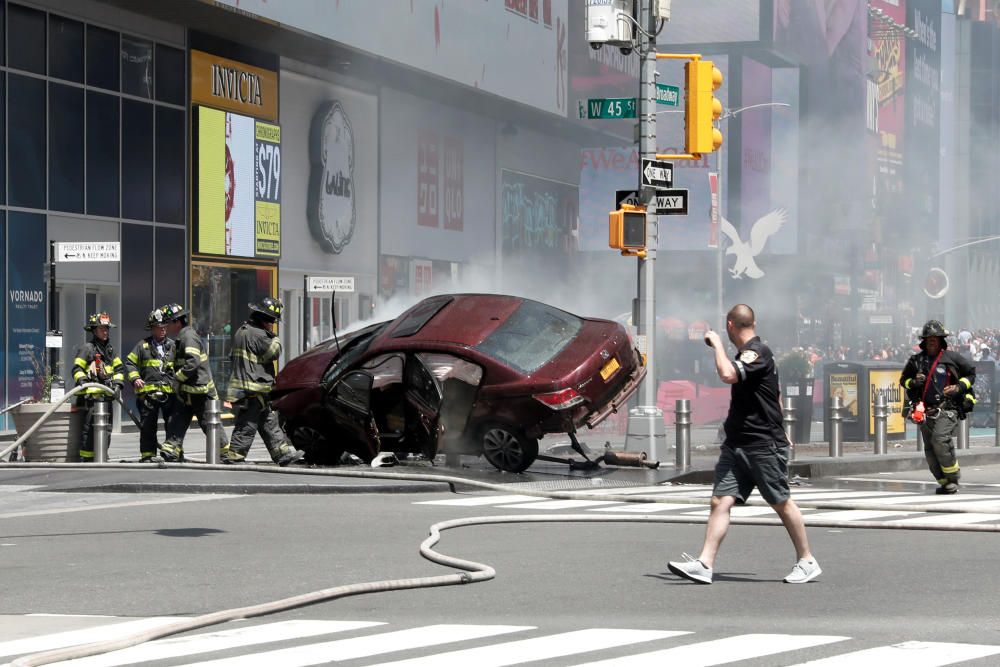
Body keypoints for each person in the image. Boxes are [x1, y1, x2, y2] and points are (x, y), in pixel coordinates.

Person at [668, 304, 821, 585]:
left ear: (729, 326)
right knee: (719, 500)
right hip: (738, 444)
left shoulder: (757, 352)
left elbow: (728, 374)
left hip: (761, 443)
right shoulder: (751, 354)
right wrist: (784, 425)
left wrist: (715, 345)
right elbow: (772, 395)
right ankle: (705, 564)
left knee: (781, 501)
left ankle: (807, 560)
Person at [221, 297, 304, 466]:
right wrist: (276, 338)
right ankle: (235, 457)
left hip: (248, 386)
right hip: (253, 387)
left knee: (268, 421)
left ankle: (282, 454)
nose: (272, 325)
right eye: (272, 321)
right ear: (265, 320)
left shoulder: (242, 331)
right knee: (248, 423)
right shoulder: (258, 334)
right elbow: (274, 352)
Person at [900, 320, 976, 495]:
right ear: (924, 341)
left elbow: (971, 373)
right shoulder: (916, 361)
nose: (932, 341)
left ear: (942, 340)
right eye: (929, 338)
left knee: (940, 440)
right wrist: (913, 382)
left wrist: (959, 388)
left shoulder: (953, 358)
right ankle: (944, 482)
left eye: (936, 338)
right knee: (929, 449)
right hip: (925, 412)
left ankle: (953, 476)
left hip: (948, 409)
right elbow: (903, 381)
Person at [160, 303, 229, 462]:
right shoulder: (181, 337)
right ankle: (171, 450)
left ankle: (224, 453)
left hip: (200, 392)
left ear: (177, 322)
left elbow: (192, 363)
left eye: (168, 322)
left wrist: (177, 378)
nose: (166, 326)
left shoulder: (188, 337)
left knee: (209, 424)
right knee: (176, 421)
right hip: (188, 392)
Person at [124, 309, 177, 463]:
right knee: (148, 426)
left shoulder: (174, 346)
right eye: (159, 327)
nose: (163, 330)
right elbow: (130, 363)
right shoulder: (142, 346)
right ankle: (147, 455)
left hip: (170, 394)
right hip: (148, 395)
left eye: (164, 327)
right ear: (152, 328)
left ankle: (171, 453)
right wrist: (135, 379)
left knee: (172, 425)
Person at [71, 313, 125, 461]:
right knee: (89, 431)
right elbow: (76, 369)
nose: (105, 332)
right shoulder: (87, 348)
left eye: (107, 329)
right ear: (94, 331)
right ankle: (86, 460)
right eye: (102, 329)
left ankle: (102, 456)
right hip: (92, 400)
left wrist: (118, 385)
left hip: (106, 399)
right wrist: (82, 379)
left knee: (106, 430)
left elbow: (119, 369)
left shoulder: (110, 350)